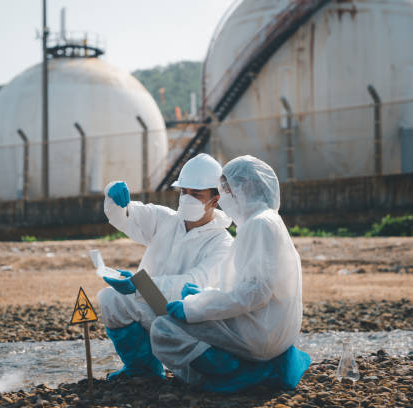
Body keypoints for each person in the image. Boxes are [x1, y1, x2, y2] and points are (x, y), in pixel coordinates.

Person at [150, 155, 310, 393]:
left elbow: (255, 292)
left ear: (243, 187)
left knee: (164, 328)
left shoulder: (259, 225)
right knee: (190, 346)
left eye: (225, 189)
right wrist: (205, 295)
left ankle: (245, 373)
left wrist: (194, 307)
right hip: (273, 327)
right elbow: (249, 286)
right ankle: (277, 363)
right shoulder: (263, 222)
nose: (222, 197)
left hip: (262, 333)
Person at [97, 153, 234, 380]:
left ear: (216, 199)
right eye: (184, 192)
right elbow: (126, 215)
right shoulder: (166, 220)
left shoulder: (222, 243)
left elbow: (193, 283)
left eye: (196, 194)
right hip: (155, 302)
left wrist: (138, 285)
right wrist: (112, 193)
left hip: (191, 321)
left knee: (195, 379)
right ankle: (142, 369)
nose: (187, 198)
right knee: (110, 299)